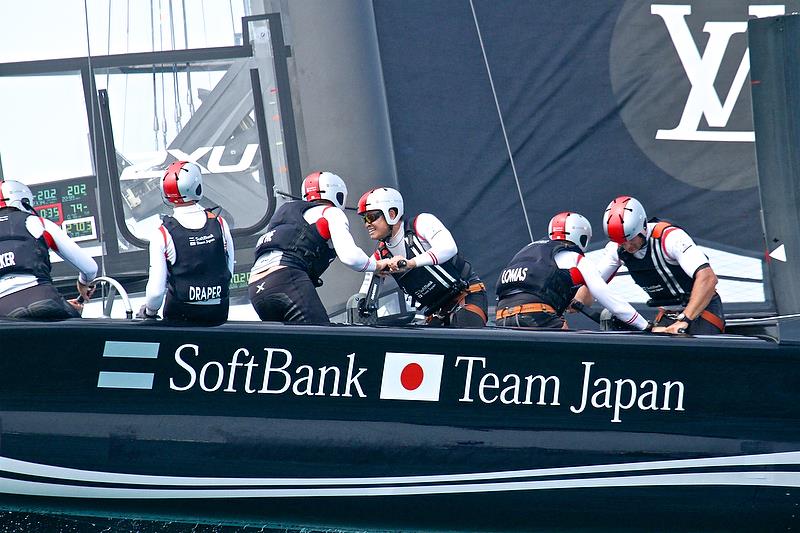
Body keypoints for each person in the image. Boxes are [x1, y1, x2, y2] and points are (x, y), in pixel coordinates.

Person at [249, 171, 390, 324]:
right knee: (321, 340)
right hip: (287, 279)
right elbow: (351, 257)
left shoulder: (283, 214)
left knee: (288, 345)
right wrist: (378, 265)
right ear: (338, 195)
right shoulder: (331, 212)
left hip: (256, 289)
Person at [574, 195, 724, 335]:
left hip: (702, 312)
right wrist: (574, 301)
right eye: (621, 242)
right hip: (668, 315)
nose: (627, 246)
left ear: (643, 227)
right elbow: (592, 285)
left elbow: (708, 278)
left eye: (631, 239)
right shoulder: (616, 248)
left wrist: (685, 319)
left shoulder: (670, 238)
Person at [495, 212, 651, 330]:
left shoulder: (525, 251)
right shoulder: (575, 259)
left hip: (501, 318)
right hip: (538, 315)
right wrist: (646, 326)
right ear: (582, 237)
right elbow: (609, 299)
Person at [357, 187, 488, 327]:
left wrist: (410, 263)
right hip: (435, 311)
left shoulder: (422, 223)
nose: (367, 224)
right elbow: (366, 289)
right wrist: (363, 303)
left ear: (392, 214)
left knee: (466, 338)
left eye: (371, 217)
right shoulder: (380, 256)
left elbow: (448, 247)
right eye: (364, 219)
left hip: (466, 294)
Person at [139, 161, 234, 325]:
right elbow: (228, 270)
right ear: (197, 186)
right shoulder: (220, 223)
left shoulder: (162, 234)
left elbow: (155, 294)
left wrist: (149, 312)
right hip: (218, 315)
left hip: (180, 318)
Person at [0, 179, 97, 318]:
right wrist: (83, 284)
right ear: (24, 200)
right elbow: (90, 269)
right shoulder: (37, 222)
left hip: (4, 314)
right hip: (43, 297)